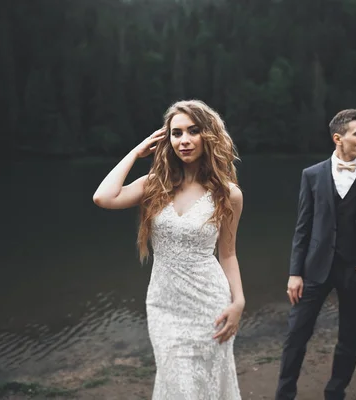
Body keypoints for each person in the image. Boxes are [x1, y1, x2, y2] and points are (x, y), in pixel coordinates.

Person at [93, 100, 244, 399]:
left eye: (193, 131)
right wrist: (136, 152)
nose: (184, 140)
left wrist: (238, 302)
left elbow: (228, 254)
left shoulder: (228, 194)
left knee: (204, 383)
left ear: (208, 136)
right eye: (176, 133)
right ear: (167, 139)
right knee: (177, 383)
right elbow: (103, 197)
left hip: (209, 303)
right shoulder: (154, 185)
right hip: (164, 305)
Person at [275, 109, 356, 400]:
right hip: (314, 269)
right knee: (296, 336)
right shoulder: (312, 175)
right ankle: (284, 394)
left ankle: (335, 393)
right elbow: (302, 228)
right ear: (338, 138)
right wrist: (295, 273)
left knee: (349, 340)